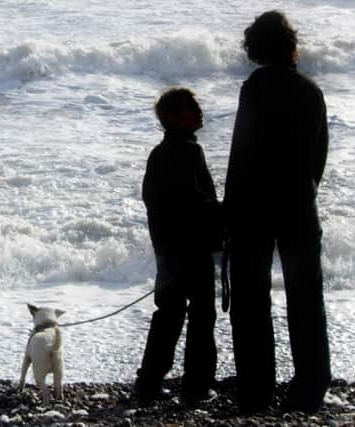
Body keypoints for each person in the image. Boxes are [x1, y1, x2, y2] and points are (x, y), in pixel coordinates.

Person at [224, 10, 331, 413]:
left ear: (255, 49)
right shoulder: (310, 89)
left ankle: (256, 389)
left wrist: (230, 211)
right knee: (306, 299)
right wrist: (305, 192)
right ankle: (311, 386)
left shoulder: (255, 88)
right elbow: (318, 154)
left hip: (253, 208)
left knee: (251, 302)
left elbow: (243, 153)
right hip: (300, 207)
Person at [135, 87, 222, 406]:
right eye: (192, 107)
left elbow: (156, 202)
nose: (199, 111)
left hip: (169, 249)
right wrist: (224, 213)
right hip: (189, 249)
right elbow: (192, 202)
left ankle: (149, 382)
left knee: (168, 315)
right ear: (173, 117)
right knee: (201, 317)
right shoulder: (186, 151)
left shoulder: (162, 152)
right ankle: (196, 387)